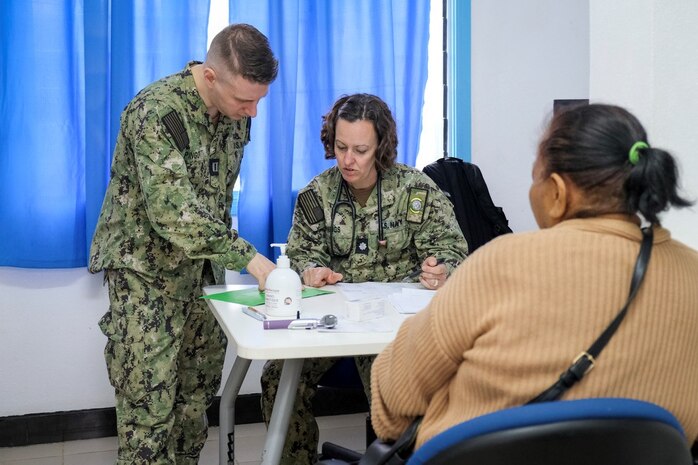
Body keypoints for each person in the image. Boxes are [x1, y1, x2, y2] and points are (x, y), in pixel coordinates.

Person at [370, 103, 698, 451]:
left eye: (535, 177)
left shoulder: (502, 264)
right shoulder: (690, 273)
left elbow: (394, 401)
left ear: (557, 192)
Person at [88, 24, 278, 465]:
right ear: (210, 77)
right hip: (145, 277)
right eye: (244, 100)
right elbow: (175, 212)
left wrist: (231, 260)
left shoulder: (234, 117)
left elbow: (215, 196)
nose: (252, 112)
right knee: (149, 407)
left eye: (258, 100)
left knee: (194, 403)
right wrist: (252, 261)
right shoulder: (155, 112)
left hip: (201, 274)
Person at [260, 93, 469, 464]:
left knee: (394, 385)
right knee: (276, 378)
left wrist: (442, 271)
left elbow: (452, 250)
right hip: (334, 324)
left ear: (381, 147)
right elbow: (302, 255)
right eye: (341, 147)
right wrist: (311, 270)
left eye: (360, 150)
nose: (348, 160)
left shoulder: (415, 190)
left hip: (394, 327)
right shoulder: (317, 194)